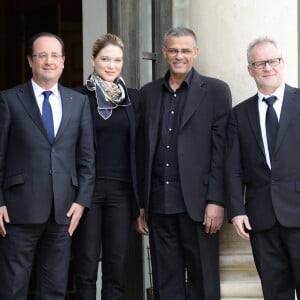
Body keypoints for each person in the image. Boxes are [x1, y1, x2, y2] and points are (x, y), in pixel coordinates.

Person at [136, 26, 232, 300]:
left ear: (195, 53)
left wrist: (216, 200)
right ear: (165, 52)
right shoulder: (149, 93)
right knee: (167, 285)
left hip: (200, 206)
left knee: (204, 282)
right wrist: (142, 203)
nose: (179, 56)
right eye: (174, 50)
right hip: (159, 203)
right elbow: (143, 150)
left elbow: (221, 150)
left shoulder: (215, 91)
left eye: (185, 50)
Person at [0, 32, 95, 299]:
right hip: (17, 211)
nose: (49, 61)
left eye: (54, 56)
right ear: (30, 61)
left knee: (54, 289)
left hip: (63, 211)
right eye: (42, 55)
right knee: (12, 287)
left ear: (64, 62)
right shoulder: (8, 100)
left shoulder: (78, 103)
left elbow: (86, 157)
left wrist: (82, 200)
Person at [225, 37, 300, 299]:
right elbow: (233, 168)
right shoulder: (238, 115)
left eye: (273, 61)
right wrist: (236, 210)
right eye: (260, 63)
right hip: (262, 218)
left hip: (298, 213)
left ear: (282, 63)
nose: (268, 68)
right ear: (250, 69)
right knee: (274, 293)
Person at [73, 33, 140, 300]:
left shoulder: (134, 100)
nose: (111, 65)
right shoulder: (77, 98)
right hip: (88, 192)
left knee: (116, 267)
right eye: (105, 59)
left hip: (122, 193)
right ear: (93, 60)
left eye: (117, 60)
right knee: (86, 266)